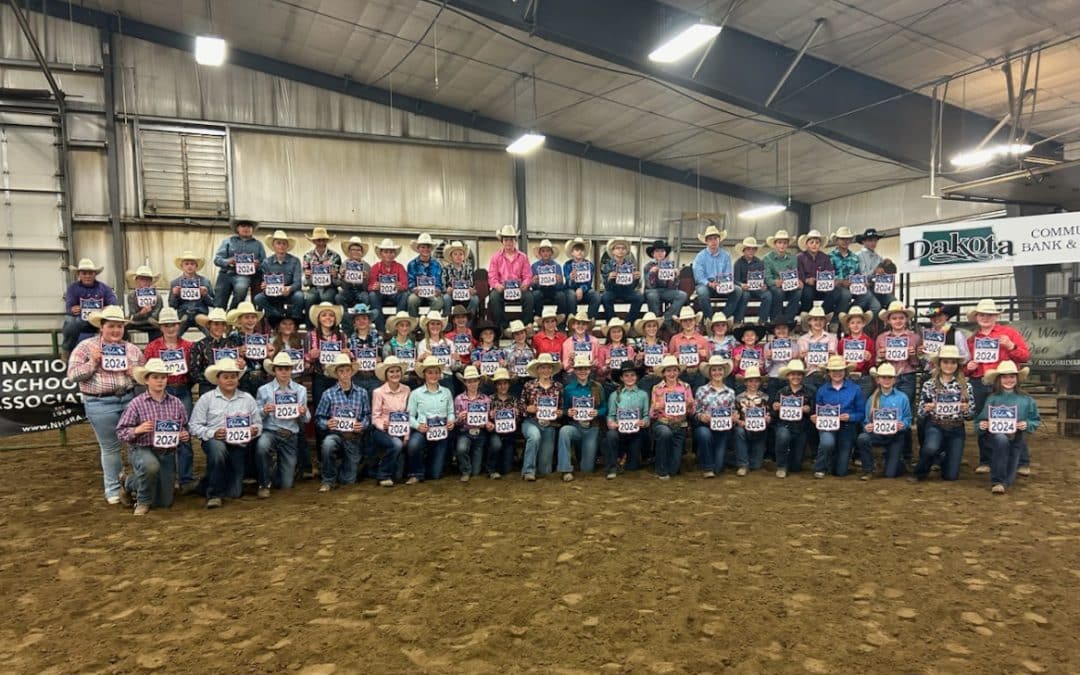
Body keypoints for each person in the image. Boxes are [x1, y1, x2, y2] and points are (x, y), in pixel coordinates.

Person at [67, 305, 144, 503]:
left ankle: (136, 484)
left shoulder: (132, 350)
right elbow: (73, 375)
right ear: (102, 327)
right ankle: (113, 489)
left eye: (119, 326)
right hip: (99, 402)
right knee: (110, 448)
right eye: (111, 326)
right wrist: (93, 362)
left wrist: (134, 373)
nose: (116, 330)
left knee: (135, 444)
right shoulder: (85, 347)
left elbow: (144, 377)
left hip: (129, 399)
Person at [963, 298, 1032, 475]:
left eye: (989, 315)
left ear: (995, 317)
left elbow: (1024, 356)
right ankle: (986, 460)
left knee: (1012, 420)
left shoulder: (1009, 334)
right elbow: (965, 368)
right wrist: (968, 368)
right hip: (979, 382)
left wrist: (1010, 345)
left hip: (1003, 382)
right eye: (982, 314)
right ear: (976, 317)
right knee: (983, 422)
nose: (985, 317)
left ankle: (1021, 461)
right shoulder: (972, 340)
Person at [115, 358, 189, 515]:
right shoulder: (136, 403)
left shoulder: (176, 403)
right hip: (142, 448)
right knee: (150, 466)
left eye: (163, 377)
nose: (160, 381)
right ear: (147, 380)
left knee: (164, 501)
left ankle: (128, 482)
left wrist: (183, 434)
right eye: (155, 377)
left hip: (167, 452)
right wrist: (137, 430)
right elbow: (121, 431)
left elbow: (184, 427)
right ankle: (142, 502)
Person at [188, 357, 261, 508]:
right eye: (225, 377)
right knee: (218, 450)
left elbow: (258, 424)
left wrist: (255, 430)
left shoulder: (247, 399)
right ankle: (214, 495)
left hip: (239, 444)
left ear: (238, 379)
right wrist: (212, 433)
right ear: (218, 379)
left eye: (233, 376)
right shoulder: (206, 399)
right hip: (215, 441)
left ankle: (204, 484)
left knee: (234, 492)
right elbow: (194, 426)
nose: (230, 380)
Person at [142, 307, 197, 494]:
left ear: (178, 325)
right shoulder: (152, 347)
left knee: (183, 434)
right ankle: (168, 477)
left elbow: (193, 370)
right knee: (162, 433)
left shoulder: (189, 346)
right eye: (166, 325)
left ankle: (185, 478)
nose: (170, 328)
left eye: (173, 324)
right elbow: (147, 371)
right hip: (161, 393)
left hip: (182, 391)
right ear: (161, 327)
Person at [976, 360, 1040, 494]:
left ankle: (1002, 479)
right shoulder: (992, 398)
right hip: (996, 436)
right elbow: (980, 420)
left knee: (1009, 479)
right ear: (999, 379)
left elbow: (1035, 420)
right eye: (1004, 377)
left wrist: (1027, 424)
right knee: (1001, 440)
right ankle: (997, 481)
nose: (1008, 380)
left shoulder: (1027, 399)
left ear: (1017, 378)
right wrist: (983, 425)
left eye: (1012, 376)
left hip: (1017, 436)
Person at [912, 345, 973, 482]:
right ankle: (920, 472)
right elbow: (920, 413)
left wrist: (965, 409)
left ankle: (945, 455)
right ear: (939, 363)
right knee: (930, 448)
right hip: (935, 425)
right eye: (945, 362)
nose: (949, 365)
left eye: (953, 362)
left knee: (950, 477)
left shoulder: (966, 386)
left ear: (957, 365)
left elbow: (970, 415)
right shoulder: (929, 385)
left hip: (957, 428)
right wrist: (927, 408)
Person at [255, 352, 310, 497]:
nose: (284, 372)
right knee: (262, 446)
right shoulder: (263, 390)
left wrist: (303, 412)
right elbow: (255, 417)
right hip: (270, 431)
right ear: (274, 371)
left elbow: (307, 419)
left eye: (287, 369)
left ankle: (275, 471)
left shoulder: (301, 390)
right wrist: (264, 410)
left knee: (286, 484)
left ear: (291, 370)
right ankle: (263, 483)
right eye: (280, 369)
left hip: (290, 435)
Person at [315, 353, 372, 492]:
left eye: (347, 370)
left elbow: (367, 415)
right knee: (328, 444)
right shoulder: (328, 394)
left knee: (348, 481)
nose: (345, 374)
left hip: (354, 438)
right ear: (336, 373)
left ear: (352, 372)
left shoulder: (362, 393)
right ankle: (328, 480)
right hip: (336, 435)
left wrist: (363, 424)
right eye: (341, 371)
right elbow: (318, 418)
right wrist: (327, 423)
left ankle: (343, 466)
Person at [306, 302, 349, 475]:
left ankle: (338, 454)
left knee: (340, 413)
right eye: (324, 315)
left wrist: (347, 353)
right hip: (320, 378)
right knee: (321, 415)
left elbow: (347, 358)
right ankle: (323, 456)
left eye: (331, 315)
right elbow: (306, 360)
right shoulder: (310, 336)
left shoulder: (342, 336)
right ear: (318, 318)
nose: (328, 318)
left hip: (337, 379)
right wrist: (311, 355)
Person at [875, 301, 921, 464]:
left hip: (907, 376)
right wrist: (881, 356)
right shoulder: (881, 338)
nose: (898, 321)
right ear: (889, 321)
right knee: (887, 410)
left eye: (901, 318)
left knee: (903, 412)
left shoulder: (914, 338)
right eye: (894, 318)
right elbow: (878, 362)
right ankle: (890, 449)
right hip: (887, 377)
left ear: (906, 319)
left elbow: (917, 364)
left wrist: (913, 355)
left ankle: (906, 452)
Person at [856, 363, 913, 480]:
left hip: (896, 435)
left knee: (890, 474)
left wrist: (903, 424)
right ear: (878, 380)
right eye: (883, 377)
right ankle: (868, 469)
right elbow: (866, 421)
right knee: (863, 438)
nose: (887, 380)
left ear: (894, 380)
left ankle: (897, 461)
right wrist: (867, 427)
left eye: (890, 377)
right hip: (878, 435)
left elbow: (908, 418)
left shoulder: (902, 397)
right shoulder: (872, 399)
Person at [811, 355, 864, 479]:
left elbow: (861, 413)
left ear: (845, 372)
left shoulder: (855, 389)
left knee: (841, 471)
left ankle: (833, 461)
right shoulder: (822, 390)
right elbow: (817, 411)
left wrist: (850, 417)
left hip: (847, 427)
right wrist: (815, 418)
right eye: (833, 370)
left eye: (840, 370)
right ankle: (820, 468)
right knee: (827, 442)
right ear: (828, 373)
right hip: (827, 426)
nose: (837, 373)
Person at [557, 355, 607, 481]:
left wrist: (598, 412)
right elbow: (563, 409)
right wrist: (567, 412)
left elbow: (604, 407)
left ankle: (581, 459)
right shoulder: (568, 389)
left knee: (587, 469)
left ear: (589, 370)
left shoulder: (598, 387)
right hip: (575, 427)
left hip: (592, 429)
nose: (582, 371)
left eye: (585, 369)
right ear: (574, 370)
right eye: (579, 369)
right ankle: (565, 469)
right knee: (564, 431)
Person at [406, 356, 455, 483]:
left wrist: (451, 421)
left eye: (436, 372)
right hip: (422, 430)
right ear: (424, 375)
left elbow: (451, 412)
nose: (433, 375)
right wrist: (418, 426)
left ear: (440, 374)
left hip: (441, 432)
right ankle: (415, 473)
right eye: (430, 372)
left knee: (435, 475)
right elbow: (409, 416)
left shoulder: (447, 392)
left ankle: (428, 465)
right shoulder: (415, 393)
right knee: (413, 445)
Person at [520, 353, 563, 481]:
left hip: (549, 424)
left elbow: (561, 407)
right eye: (543, 367)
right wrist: (528, 409)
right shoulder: (529, 385)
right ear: (538, 369)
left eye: (548, 367)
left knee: (545, 469)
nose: (546, 370)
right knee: (534, 436)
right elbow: (520, 406)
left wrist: (560, 412)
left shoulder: (558, 387)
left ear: (552, 370)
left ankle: (536, 469)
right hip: (531, 422)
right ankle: (528, 471)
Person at [61, 258, 118, 355]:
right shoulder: (72, 288)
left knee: (119, 324)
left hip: (100, 321)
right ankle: (68, 350)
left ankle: (118, 350)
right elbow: (69, 307)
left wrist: (108, 308)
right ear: (78, 274)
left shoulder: (105, 288)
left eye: (90, 273)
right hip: (81, 320)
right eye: (84, 273)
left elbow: (113, 303)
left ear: (94, 274)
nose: (87, 276)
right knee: (69, 321)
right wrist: (73, 309)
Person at [692, 356, 737, 478]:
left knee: (718, 467)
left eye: (720, 369)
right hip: (705, 427)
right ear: (710, 373)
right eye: (714, 370)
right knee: (704, 434)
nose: (717, 372)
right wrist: (701, 417)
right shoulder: (701, 390)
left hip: (723, 430)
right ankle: (707, 468)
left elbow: (733, 411)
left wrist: (734, 418)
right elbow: (694, 412)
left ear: (724, 372)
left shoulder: (731, 392)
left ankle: (707, 458)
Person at [649, 355, 692, 480]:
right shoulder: (656, 388)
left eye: (674, 370)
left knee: (674, 468)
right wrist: (658, 406)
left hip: (680, 425)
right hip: (663, 422)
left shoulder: (686, 387)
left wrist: (689, 405)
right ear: (663, 373)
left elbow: (691, 411)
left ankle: (666, 466)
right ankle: (660, 469)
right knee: (665, 433)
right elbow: (651, 414)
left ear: (678, 371)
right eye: (668, 370)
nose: (671, 373)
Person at [369, 356, 411, 484]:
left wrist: (407, 436)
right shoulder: (378, 392)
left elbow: (408, 413)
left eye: (397, 371)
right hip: (382, 431)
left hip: (400, 430)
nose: (395, 374)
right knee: (396, 445)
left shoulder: (407, 390)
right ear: (386, 374)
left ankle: (379, 467)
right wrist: (384, 425)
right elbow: (375, 417)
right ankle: (383, 475)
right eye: (391, 371)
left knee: (398, 475)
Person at [604, 361, 649, 478]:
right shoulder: (614, 395)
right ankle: (612, 467)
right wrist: (611, 423)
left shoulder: (643, 395)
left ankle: (627, 458)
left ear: (637, 377)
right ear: (621, 378)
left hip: (636, 432)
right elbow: (611, 415)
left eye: (632, 375)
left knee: (633, 467)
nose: (630, 378)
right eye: (626, 375)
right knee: (611, 435)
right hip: (619, 431)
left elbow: (646, 415)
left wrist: (644, 422)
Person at [772, 359, 815, 477]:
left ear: (802, 376)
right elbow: (774, 415)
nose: (795, 377)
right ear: (788, 376)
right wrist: (775, 408)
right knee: (783, 436)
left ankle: (789, 461)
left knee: (796, 467)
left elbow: (814, 412)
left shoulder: (810, 392)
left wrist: (808, 410)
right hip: (784, 425)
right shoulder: (781, 392)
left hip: (802, 428)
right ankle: (781, 466)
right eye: (792, 374)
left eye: (799, 374)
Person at [487, 225, 534, 329]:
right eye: (506, 239)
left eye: (511, 239)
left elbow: (528, 275)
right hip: (503, 289)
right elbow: (492, 276)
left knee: (529, 297)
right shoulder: (495, 257)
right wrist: (497, 285)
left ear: (515, 241)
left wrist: (525, 284)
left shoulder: (523, 257)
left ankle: (525, 325)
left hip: (519, 288)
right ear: (502, 241)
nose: (508, 242)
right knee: (494, 297)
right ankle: (502, 326)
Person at [254, 229, 305, 325]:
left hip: (289, 293)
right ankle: (276, 316)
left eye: (284, 244)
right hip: (273, 294)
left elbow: (298, 283)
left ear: (287, 246)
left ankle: (295, 321)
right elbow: (264, 281)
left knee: (299, 296)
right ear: (273, 246)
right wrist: (265, 286)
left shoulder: (295, 261)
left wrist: (290, 288)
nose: (281, 246)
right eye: (278, 243)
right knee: (258, 298)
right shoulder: (266, 262)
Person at [213, 218, 266, 310]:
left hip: (244, 275)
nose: (246, 228)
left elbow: (264, 263)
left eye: (249, 226)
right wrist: (228, 261)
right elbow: (217, 260)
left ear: (252, 229)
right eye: (243, 226)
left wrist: (257, 265)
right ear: (237, 228)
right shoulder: (228, 241)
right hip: (226, 273)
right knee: (219, 300)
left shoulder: (258, 245)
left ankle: (232, 312)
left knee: (241, 289)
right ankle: (219, 316)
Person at [692, 224, 742, 321]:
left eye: (715, 238)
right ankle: (710, 319)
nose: (713, 241)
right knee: (702, 292)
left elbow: (728, 273)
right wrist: (709, 283)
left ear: (719, 240)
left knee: (738, 290)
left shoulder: (726, 255)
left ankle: (722, 317)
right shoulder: (700, 256)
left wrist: (722, 282)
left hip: (722, 284)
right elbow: (698, 276)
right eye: (710, 239)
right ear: (706, 241)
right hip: (706, 284)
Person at [190, 307, 242, 393]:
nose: (220, 327)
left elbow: (237, 368)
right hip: (207, 388)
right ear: (209, 325)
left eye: (223, 324)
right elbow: (194, 372)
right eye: (216, 324)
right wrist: (215, 379)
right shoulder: (199, 345)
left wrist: (241, 365)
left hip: (229, 388)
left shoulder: (232, 345)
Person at [227, 300, 273, 397]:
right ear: (239, 320)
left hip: (261, 377)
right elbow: (228, 356)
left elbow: (266, 358)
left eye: (253, 317)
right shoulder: (234, 336)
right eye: (246, 317)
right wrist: (237, 351)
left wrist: (269, 354)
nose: (250, 320)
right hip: (243, 379)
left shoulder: (261, 338)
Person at [454, 365, 492, 482]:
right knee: (461, 449)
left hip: (480, 433)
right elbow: (455, 421)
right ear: (465, 383)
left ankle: (471, 469)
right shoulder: (459, 399)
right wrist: (459, 418)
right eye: (469, 381)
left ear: (478, 382)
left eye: (474, 381)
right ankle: (465, 470)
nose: (472, 384)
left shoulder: (486, 399)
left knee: (476, 471)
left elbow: (488, 418)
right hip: (465, 432)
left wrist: (488, 423)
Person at [643, 239, 687, 329]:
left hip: (667, 291)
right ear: (653, 254)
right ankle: (654, 321)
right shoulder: (648, 266)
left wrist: (674, 278)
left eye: (662, 251)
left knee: (682, 295)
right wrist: (652, 273)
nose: (660, 253)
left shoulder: (671, 266)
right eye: (657, 251)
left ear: (665, 253)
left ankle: (666, 319)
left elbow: (674, 287)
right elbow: (649, 285)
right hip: (652, 291)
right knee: (652, 295)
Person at [734, 366, 771, 474]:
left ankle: (737, 459)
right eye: (750, 381)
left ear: (760, 382)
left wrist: (768, 419)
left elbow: (769, 415)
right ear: (745, 383)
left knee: (756, 465)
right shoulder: (738, 398)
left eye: (756, 381)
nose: (753, 384)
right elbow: (736, 416)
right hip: (744, 431)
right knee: (738, 431)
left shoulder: (766, 398)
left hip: (760, 432)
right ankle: (743, 465)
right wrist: (739, 421)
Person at [599, 237, 645, 325]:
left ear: (626, 251)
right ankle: (612, 323)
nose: (620, 250)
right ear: (613, 251)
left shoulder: (631, 265)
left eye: (623, 248)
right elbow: (606, 287)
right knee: (605, 297)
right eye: (618, 248)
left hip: (627, 291)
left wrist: (636, 279)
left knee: (639, 297)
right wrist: (609, 278)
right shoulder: (607, 266)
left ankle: (629, 323)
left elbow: (633, 286)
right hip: (612, 291)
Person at [367, 238, 409, 332]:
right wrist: (374, 286)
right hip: (380, 294)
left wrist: (400, 286)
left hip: (395, 294)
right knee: (372, 295)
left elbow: (405, 285)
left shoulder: (400, 267)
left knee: (405, 295)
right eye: (386, 252)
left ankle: (398, 324)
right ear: (381, 254)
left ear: (394, 254)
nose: (389, 254)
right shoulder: (375, 267)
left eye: (391, 252)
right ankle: (380, 329)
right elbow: (370, 286)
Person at [168, 250, 214, 334]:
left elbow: (213, 303)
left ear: (196, 266)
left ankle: (213, 346)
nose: (189, 266)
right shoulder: (175, 283)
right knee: (175, 334)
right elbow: (172, 305)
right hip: (183, 314)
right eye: (187, 264)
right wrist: (174, 295)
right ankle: (173, 347)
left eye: (192, 264)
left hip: (200, 314)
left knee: (211, 333)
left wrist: (205, 295)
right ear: (182, 266)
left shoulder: (205, 281)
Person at [796, 229, 841, 314]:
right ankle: (806, 314)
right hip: (807, 286)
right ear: (807, 244)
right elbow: (798, 273)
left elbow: (829, 272)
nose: (814, 245)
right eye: (812, 242)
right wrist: (806, 280)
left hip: (822, 286)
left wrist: (830, 282)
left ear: (820, 244)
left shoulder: (825, 257)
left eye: (817, 242)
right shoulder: (800, 257)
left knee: (836, 291)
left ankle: (822, 313)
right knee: (807, 293)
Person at [762, 230, 801, 325]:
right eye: (779, 243)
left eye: (785, 243)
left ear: (787, 245)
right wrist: (776, 282)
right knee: (778, 292)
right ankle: (776, 320)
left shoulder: (793, 258)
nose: (782, 245)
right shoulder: (767, 258)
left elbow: (794, 273)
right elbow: (767, 277)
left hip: (788, 285)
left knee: (798, 292)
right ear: (775, 244)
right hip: (775, 285)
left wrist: (797, 282)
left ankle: (788, 320)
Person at [487, 368, 520, 478]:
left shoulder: (514, 400)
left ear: (509, 385)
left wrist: (517, 414)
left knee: (507, 469)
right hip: (494, 432)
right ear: (496, 385)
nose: (503, 386)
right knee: (496, 445)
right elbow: (484, 419)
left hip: (509, 434)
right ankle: (491, 469)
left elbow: (518, 420)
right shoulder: (490, 399)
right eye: (499, 384)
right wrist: (489, 415)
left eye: (505, 383)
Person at [838, 307, 877, 400]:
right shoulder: (842, 342)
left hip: (864, 378)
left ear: (863, 324)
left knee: (862, 406)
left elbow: (872, 365)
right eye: (852, 323)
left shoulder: (870, 342)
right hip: (847, 378)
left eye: (859, 322)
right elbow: (839, 361)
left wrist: (869, 359)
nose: (856, 325)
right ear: (848, 325)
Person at [732, 237, 773, 323]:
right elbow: (735, 280)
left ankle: (762, 320)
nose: (751, 251)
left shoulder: (760, 262)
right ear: (744, 250)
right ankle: (738, 320)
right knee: (745, 296)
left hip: (757, 288)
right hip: (745, 289)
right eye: (748, 249)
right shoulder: (738, 263)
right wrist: (741, 285)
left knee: (768, 295)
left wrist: (764, 285)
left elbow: (763, 277)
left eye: (753, 249)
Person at [345, 303, 383, 397]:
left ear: (369, 321)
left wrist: (380, 359)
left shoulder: (378, 337)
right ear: (354, 322)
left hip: (374, 376)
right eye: (357, 319)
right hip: (356, 376)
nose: (361, 321)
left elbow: (382, 356)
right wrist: (349, 357)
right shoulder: (350, 339)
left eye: (364, 318)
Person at [529, 238, 569, 325]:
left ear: (551, 253)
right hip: (540, 290)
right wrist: (534, 282)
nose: (546, 253)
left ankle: (560, 321)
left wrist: (560, 281)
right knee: (536, 294)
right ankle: (538, 318)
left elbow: (561, 287)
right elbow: (532, 286)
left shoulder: (557, 266)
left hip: (553, 290)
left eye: (548, 251)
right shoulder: (534, 266)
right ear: (540, 253)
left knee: (561, 296)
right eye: (543, 251)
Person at [918, 302, 970, 369]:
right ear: (930, 318)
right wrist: (922, 353)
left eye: (939, 315)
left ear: (946, 316)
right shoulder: (927, 335)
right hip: (931, 372)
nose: (936, 318)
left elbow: (966, 356)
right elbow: (925, 360)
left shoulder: (956, 334)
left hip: (951, 372)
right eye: (933, 316)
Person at [855, 228, 895, 313]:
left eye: (875, 240)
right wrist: (874, 272)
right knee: (876, 306)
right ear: (864, 242)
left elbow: (884, 272)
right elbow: (861, 275)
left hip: (877, 288)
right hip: (864, 288)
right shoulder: (858, 256)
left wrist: (886, 264)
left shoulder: (878, 257)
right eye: (870, 240)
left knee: (894, 303)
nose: (873, 243)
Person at [668, 306, 709, 391]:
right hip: (681, 373)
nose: (688, 323)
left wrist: (704, 354)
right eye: (685, 320)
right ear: (681, 323)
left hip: (699, 373)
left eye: (690, 320)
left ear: (695, 322)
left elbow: (708, 360)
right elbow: (669, 359)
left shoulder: (702, 339)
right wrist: (674, 356)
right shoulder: (674, 339)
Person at [797, 303, 837, 388]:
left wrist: (833, 357)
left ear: (825, 321)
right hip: (809, 374)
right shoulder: (802, 340)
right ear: (809, 321)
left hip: (827, 374)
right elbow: (801, 365)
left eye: (821, 320)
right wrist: (800, 357)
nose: (818, 322)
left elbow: (835, 360)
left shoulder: (832, 338)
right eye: (815, 319)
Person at [406, 232, 445, 318]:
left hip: (432, 293)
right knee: (412, 300)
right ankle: (415, 324)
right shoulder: (411, 264)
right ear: (418, 248)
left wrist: (437, 289)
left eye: (428, 247)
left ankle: (428, 321)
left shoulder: (437, 264)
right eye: (423, 247)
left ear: (431, 249)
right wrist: (414, 289)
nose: (425, 249)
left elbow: (438, 281)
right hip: (417, 293)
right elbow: (410, 281)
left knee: (439, 301)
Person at [301, 227, 342, 309]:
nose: (321, 243)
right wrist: (307, 277)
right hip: (314, 288)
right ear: (314, 241)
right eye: (318, 240)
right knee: (309, 299)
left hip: (330, 288)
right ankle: (308, 322)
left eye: (323, 240)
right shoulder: (307, 256)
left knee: (326, 298)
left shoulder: (335, 256)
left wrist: (335, 276)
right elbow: (305, 283)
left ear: (327, 241)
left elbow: (338, 283)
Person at [417, 310, 457, 390]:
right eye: (432, 324)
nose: (435, 326)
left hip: (447, 377)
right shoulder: (422, 344)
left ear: (441, 326)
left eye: (438, 324)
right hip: (430, 378)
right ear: (427, 326)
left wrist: (456, 359)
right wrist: (421, 359)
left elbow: (453, 367)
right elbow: (420, 367)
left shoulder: (449, 343)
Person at [564, 237, 600, 320]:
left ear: (584, 253)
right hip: (571, 290)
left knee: (596, 296)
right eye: (577, 250)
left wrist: (581, 289)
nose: (580, 252)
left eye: (582, 250)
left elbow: (588, 282)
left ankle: (590, 320)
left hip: (586, 290)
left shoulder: (590, 265)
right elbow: (567, 283)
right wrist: (571, 278)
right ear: (572, 252)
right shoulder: (567, 265)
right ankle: (571, 320)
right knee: (571, 294)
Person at [764, 319, 800, 404]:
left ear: (788, 330)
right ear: (774, 331)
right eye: (778, 328)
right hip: (774, 378)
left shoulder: (795, 346)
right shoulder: (768, 346)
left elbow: (798, 367)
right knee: (773, 404)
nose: (781, 331)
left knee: (789, 403)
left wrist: (795, 359)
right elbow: (766, 369)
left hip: (789, 378)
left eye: (784, 328)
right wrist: (768, 359)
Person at [561, 310, 607, 376]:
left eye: (583, 324)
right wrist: (570, 362)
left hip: (590, 372)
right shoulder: (567, 343)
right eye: (578, 323)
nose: (581, 326)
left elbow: (599, 361)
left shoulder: (595, 341)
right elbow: (565, 366)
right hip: (573, 373)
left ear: (587, 326)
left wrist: (595, 363)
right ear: (573, 325)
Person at [124, 265, 163, 339]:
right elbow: (133, 316)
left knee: (159, 329)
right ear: (137, 280)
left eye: (147, 279)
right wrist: (142, 313)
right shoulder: (131, 296)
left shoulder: (157, 296)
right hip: (136, 323)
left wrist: (149, 314)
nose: (144, 282)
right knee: (122, 327)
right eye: (142, 279)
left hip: (152, 325)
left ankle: (153, 349)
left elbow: (156, 316)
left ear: (151, 281)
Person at [826, 227, 860, 316]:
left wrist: (859, 283)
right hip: (835, 287)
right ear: (837, 240)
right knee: (846, 295)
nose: (846, 241)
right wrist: (840, 282)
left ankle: (848, 316)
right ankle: (837, 321)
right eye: (842, 239)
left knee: (867, 295)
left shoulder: (855, 258)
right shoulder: (829, 257)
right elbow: (826, 277)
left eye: (848, 239)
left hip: (852, 287)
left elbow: (858, 274)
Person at [441, 240, 479, 317]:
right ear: (451, 256)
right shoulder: (446, 269)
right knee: (446, 298)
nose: (458, 256)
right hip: (451, 295)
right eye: (455, 254)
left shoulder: (469, 269)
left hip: (466, 295)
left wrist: (471, 290)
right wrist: (447, 290)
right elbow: (443, 284)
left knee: (475, 299)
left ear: (464, 256)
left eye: (461, 254)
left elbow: (471, 284)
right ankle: (448, 322)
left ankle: (469, 322)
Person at [383, 311, 419, 388]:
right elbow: (386, 367)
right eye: (401, 325)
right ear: (396, 327)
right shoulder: (388, 346)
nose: (404, 328)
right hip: (394, 382)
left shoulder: (415, 345)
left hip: (412, 381)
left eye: (407, 325)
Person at [335, 236, 371, 311]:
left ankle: (363, 317)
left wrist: (365, 279)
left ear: (362, 252)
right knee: (339, 297)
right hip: (348, 291)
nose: (356, 252)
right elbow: (342, 286)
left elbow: (367, 287)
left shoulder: (366, 266)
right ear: (349, 252)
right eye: (353, 250)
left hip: (361, 291)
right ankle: (345, 318)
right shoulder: (344, 264)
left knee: (366, 297)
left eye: (358, 250)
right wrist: (342, 277)